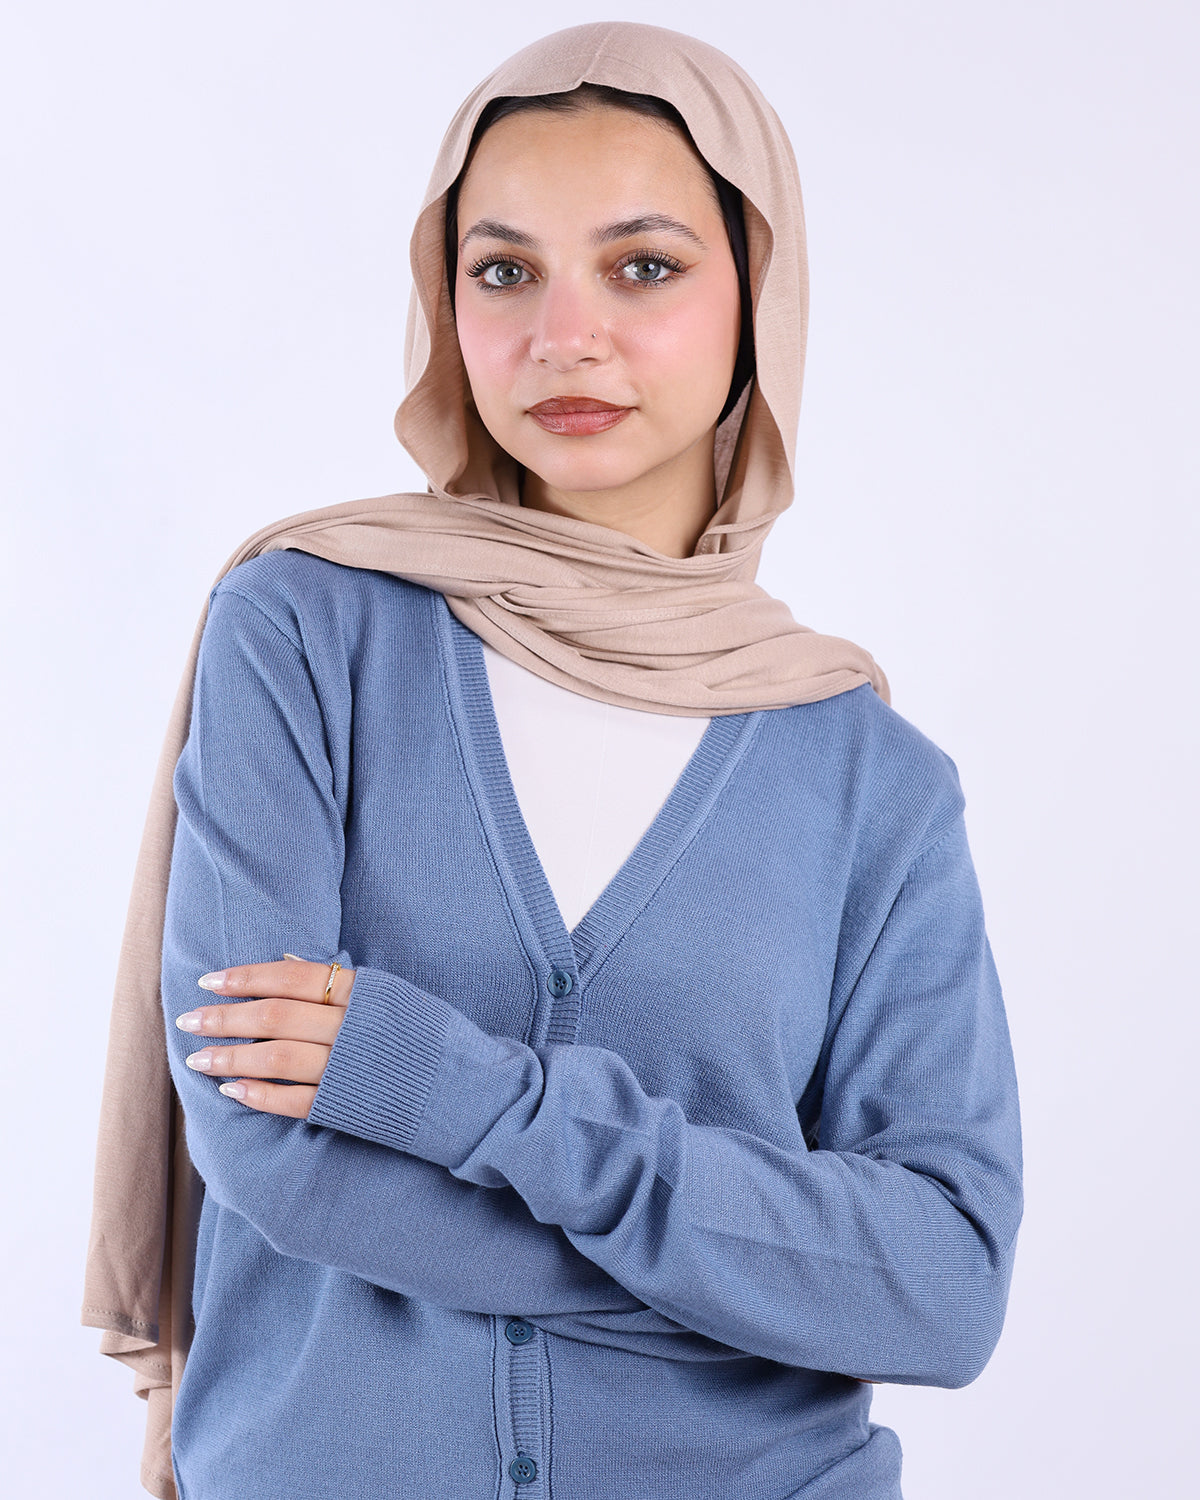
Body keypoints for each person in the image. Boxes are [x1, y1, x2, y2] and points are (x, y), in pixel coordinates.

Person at [82, 21, 1023, 1500]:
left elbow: (944, 1285)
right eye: (503, 270)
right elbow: (271, 1159)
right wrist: (750, 1280)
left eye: (643, 266)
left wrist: (465, 1095)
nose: (562, 335)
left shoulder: (868, 776)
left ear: (756, 300)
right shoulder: (308, 630)